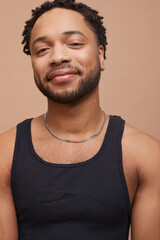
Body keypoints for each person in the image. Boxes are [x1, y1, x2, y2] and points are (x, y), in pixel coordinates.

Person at [0, 0, 159, 239]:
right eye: (42, 50)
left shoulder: (146, 155)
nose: (58, 57)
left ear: (101, 54)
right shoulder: (4, 153)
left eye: (74, 43)